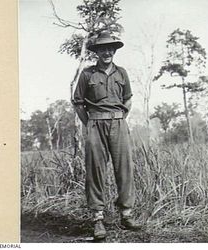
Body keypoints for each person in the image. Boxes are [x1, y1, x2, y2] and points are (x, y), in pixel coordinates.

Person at [72, 31, 141, 240]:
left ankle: (126, 214)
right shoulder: (87, 74)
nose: (107, 52)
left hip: (118, 124)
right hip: (95, 124)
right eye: (103, 48)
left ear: (114, 50)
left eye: (110, 48)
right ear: (97, 52)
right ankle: (98, 218)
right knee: (95, 170)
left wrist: (121, 118)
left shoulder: (122, 73)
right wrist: (90, 123)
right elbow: (77, 102)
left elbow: (128, 99)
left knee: (124, 169)